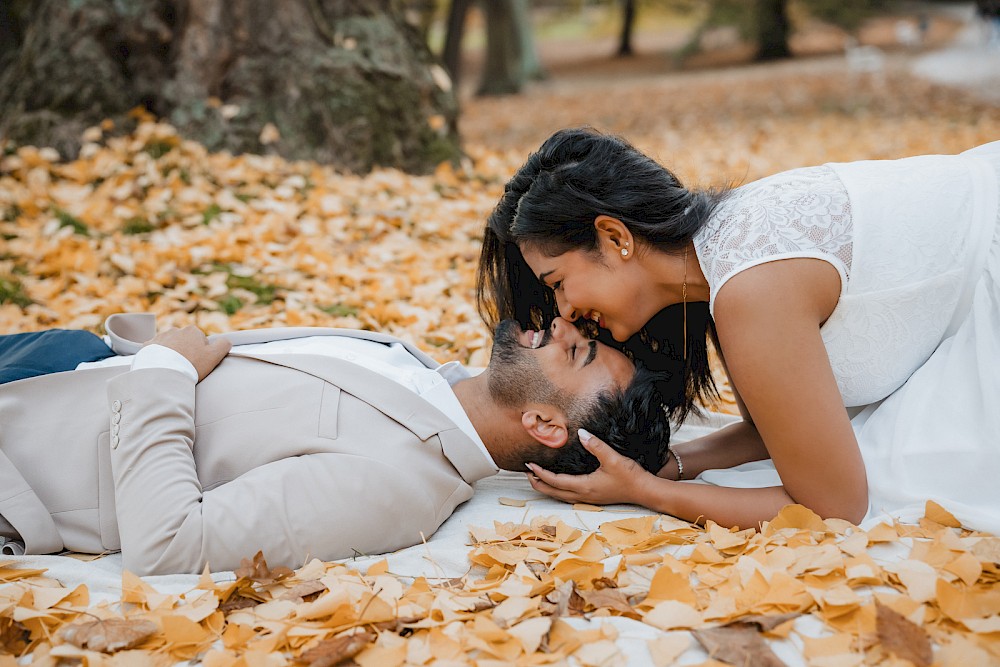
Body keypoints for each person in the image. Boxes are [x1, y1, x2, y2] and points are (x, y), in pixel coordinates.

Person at [478, 127, 1000, 533]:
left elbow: (837, 507)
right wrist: (672, 465)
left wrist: (647, 492)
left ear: (614, 238)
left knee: (905, 471)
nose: (564, 312)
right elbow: (774, 430)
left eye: (559, 282)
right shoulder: (717, 261)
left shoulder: (750, 290)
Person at [0, 313, 673, 575]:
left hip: (24, 455)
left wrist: (165, 372)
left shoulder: (395, 485)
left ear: (546, 427)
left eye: (574, 350)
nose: (557, 323)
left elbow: (170, 541)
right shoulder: (423, 369)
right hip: (63, 359)